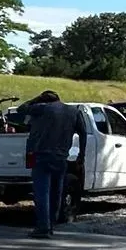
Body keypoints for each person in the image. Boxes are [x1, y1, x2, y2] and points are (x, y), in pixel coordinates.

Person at [23, 89, 82, 237]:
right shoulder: (73, 111)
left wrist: (36, 98)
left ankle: (43, 227)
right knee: (56, 194)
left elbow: (21, 108)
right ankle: (51, 225)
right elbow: (83, 132)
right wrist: (82, 155)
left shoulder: (42, 108)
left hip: (42, 156)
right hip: (61, 158)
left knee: (42, 193)